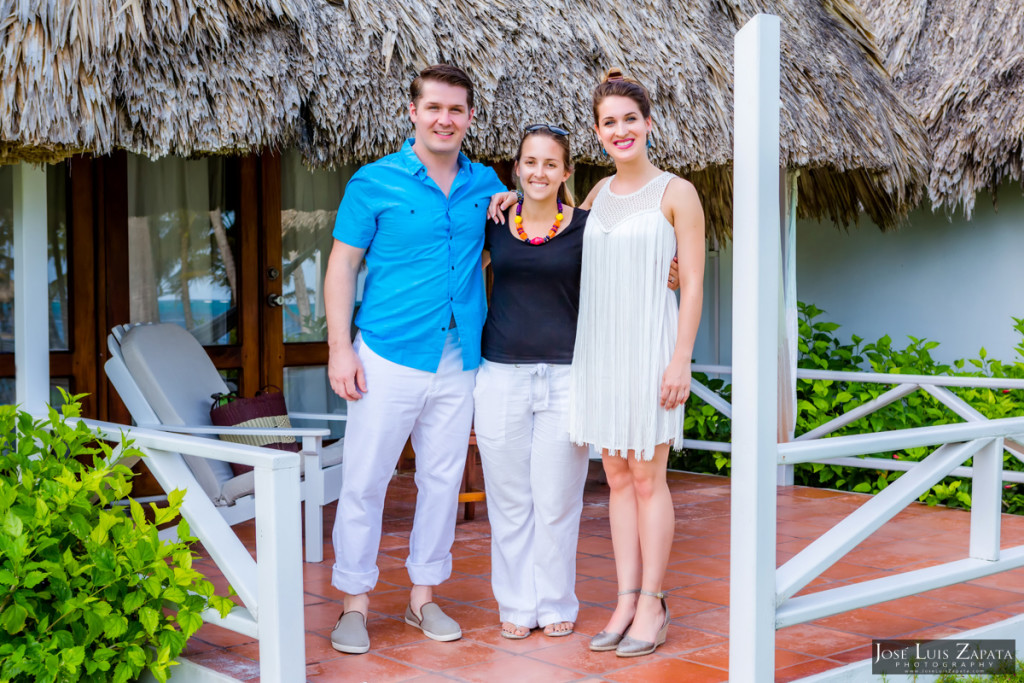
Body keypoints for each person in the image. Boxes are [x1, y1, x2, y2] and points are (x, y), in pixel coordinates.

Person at [323, 64, 506, 655]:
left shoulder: (489, 187)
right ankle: (353, 604)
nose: (444, 119)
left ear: (470, 117)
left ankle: (422, 597)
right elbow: (342, 266)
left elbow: (543, 231)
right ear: (413, 112)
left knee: (441, 480)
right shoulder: (372, 182)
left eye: (456, 110)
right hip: (386, 354)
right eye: (434, 108)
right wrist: (338, 347)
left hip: (460, 357)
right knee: (365, 482)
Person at [478, 127, 680, 641]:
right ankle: (516, 604)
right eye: (529, 163)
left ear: (567, 173)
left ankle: (554, 602)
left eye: (550, 164)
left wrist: (668, 271)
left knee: (558, 499)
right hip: (501, 372)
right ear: (516, 169)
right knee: (508, 498)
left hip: (569, 376)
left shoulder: (587, 226)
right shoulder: (494, 221)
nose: (539, 172)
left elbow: (635, 259)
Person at [569, 68, 705, 658]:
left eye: (630, 119)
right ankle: (623, 599)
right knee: (617, 479)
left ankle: (653, 601)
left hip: (653, 350)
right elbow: (549, 228)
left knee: (650, 479)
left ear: (648, 125)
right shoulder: (596, 195)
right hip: (602, 351)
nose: (620, 130)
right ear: (598, 133)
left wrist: (682, 359)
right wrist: (508, 199)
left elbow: (694, 283)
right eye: (609, 122)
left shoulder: (679, 193)